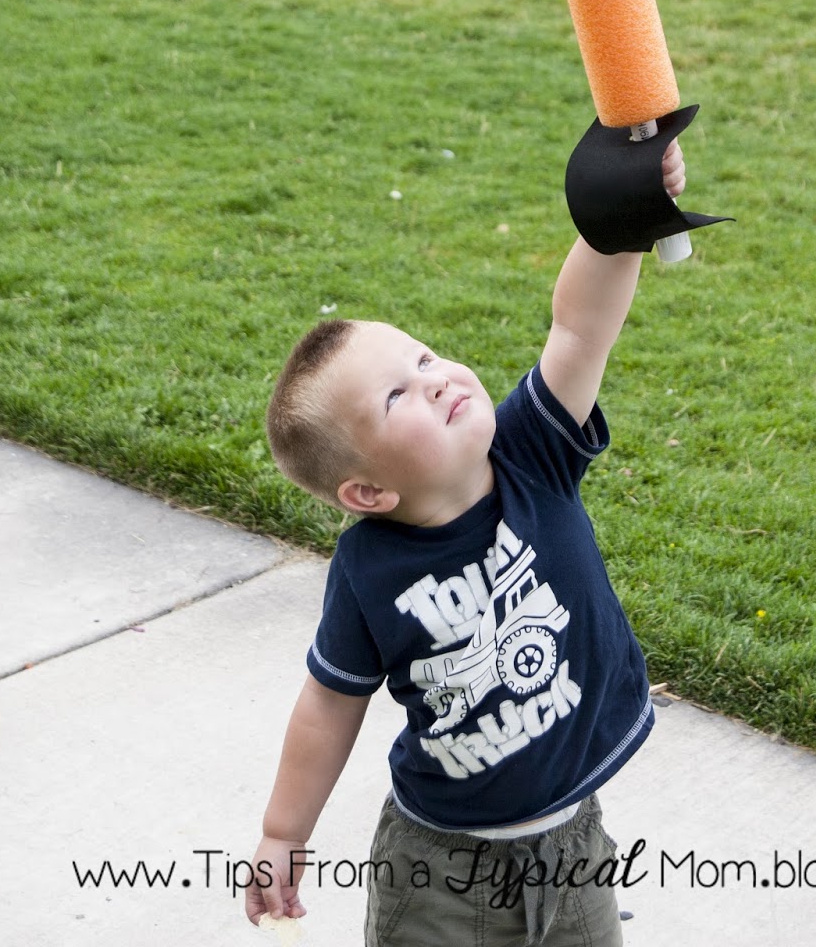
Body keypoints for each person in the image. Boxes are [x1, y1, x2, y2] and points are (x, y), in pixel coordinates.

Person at [243, 127, 691, 946]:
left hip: (574, 848)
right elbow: (329, 701)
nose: (436, 378)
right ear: (368, 490)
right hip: (442, 872)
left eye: (424, 357)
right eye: (397, 396)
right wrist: (283, 830)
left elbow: (578, 330)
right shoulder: (368, 570)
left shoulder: (532, 451)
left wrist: (620, 218)